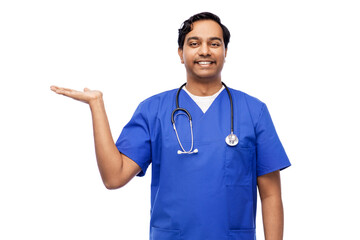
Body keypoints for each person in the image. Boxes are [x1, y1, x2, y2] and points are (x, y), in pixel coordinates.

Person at [51, 12, 291, 240]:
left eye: (214, 43)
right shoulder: (153, 110)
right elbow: (114, 177)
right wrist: (97, 105)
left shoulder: (253, 111)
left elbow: (270, 195)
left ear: (226, 51)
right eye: (194, 43)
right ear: (180, 52)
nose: (205, 51)